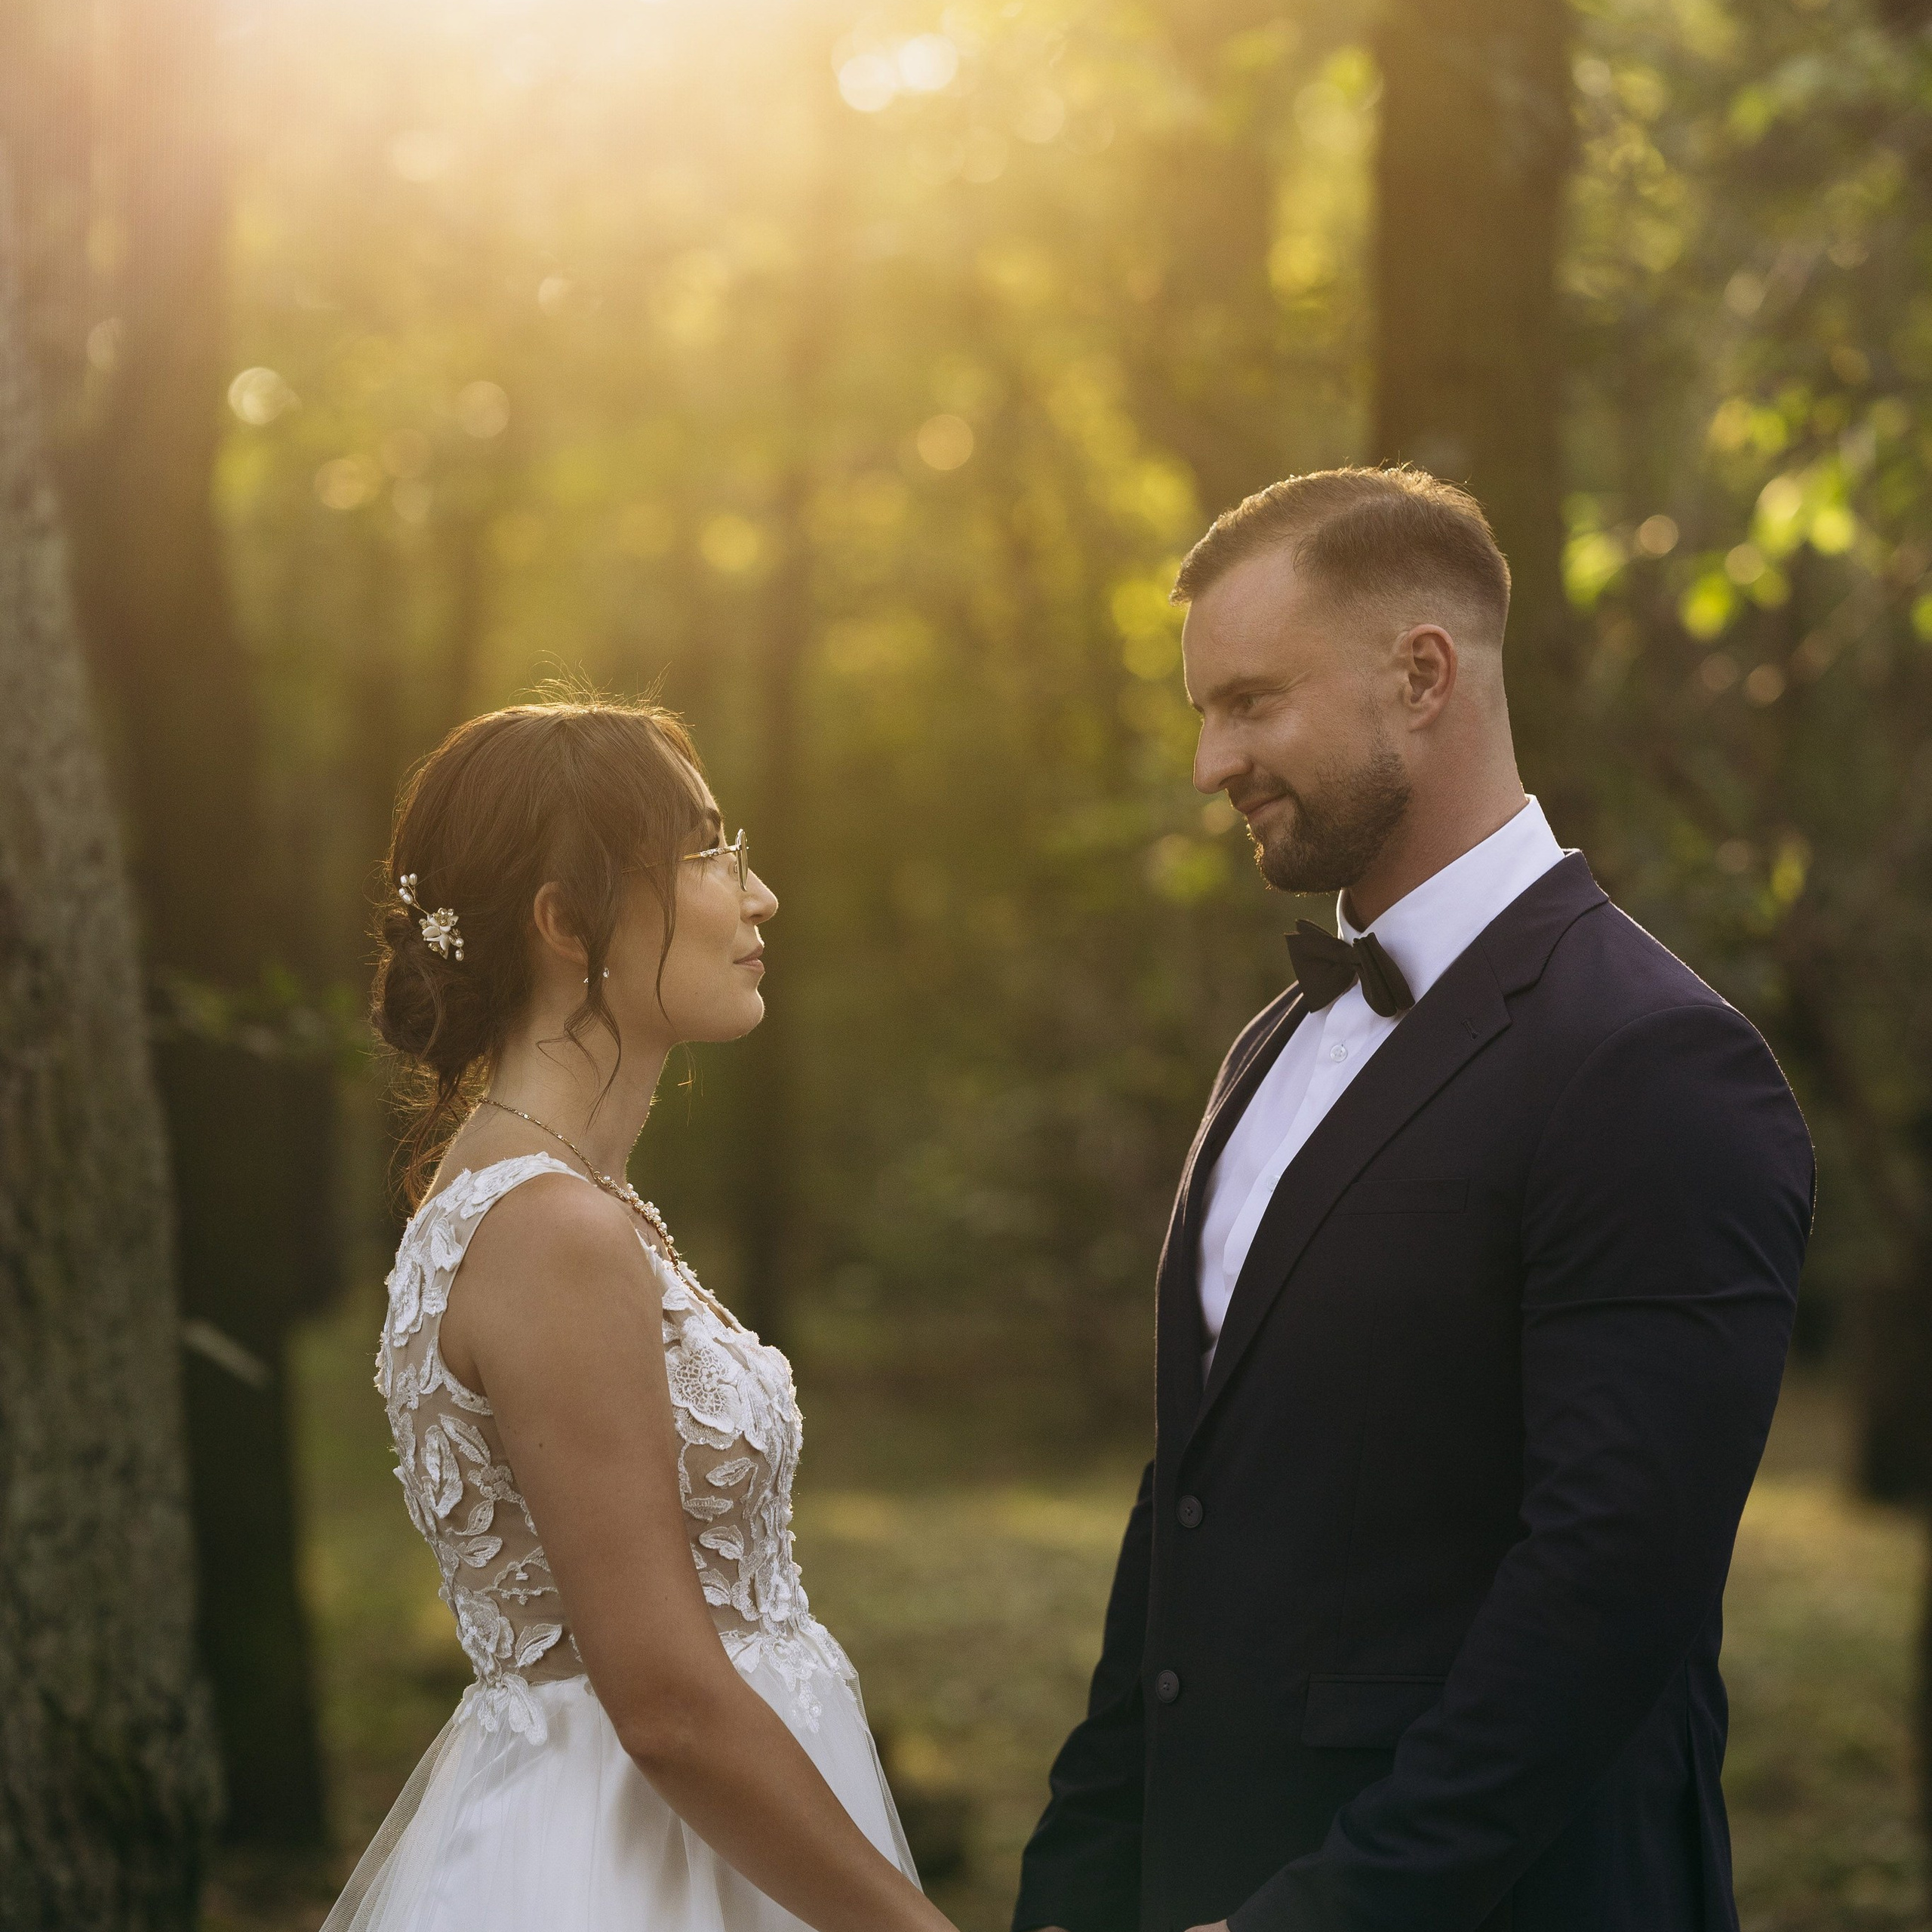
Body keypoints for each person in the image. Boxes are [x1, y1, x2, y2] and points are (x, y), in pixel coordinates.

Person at [1012, 468, 1814, 1932]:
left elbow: (1602, 1593)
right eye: (1203, 711)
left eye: (1248, 702)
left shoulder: (1652, 1061)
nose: (1207, 763)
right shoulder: (1268, 1049)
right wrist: (1076, 1878)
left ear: (1420, 675)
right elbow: (1183, 1508)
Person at [325, 697, 952, 1932]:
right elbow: (662, 1701)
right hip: (623, 1866)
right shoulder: (549, 1231)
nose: (759, 896)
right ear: (567, 922)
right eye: (713, 854)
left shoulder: (566, 1203)